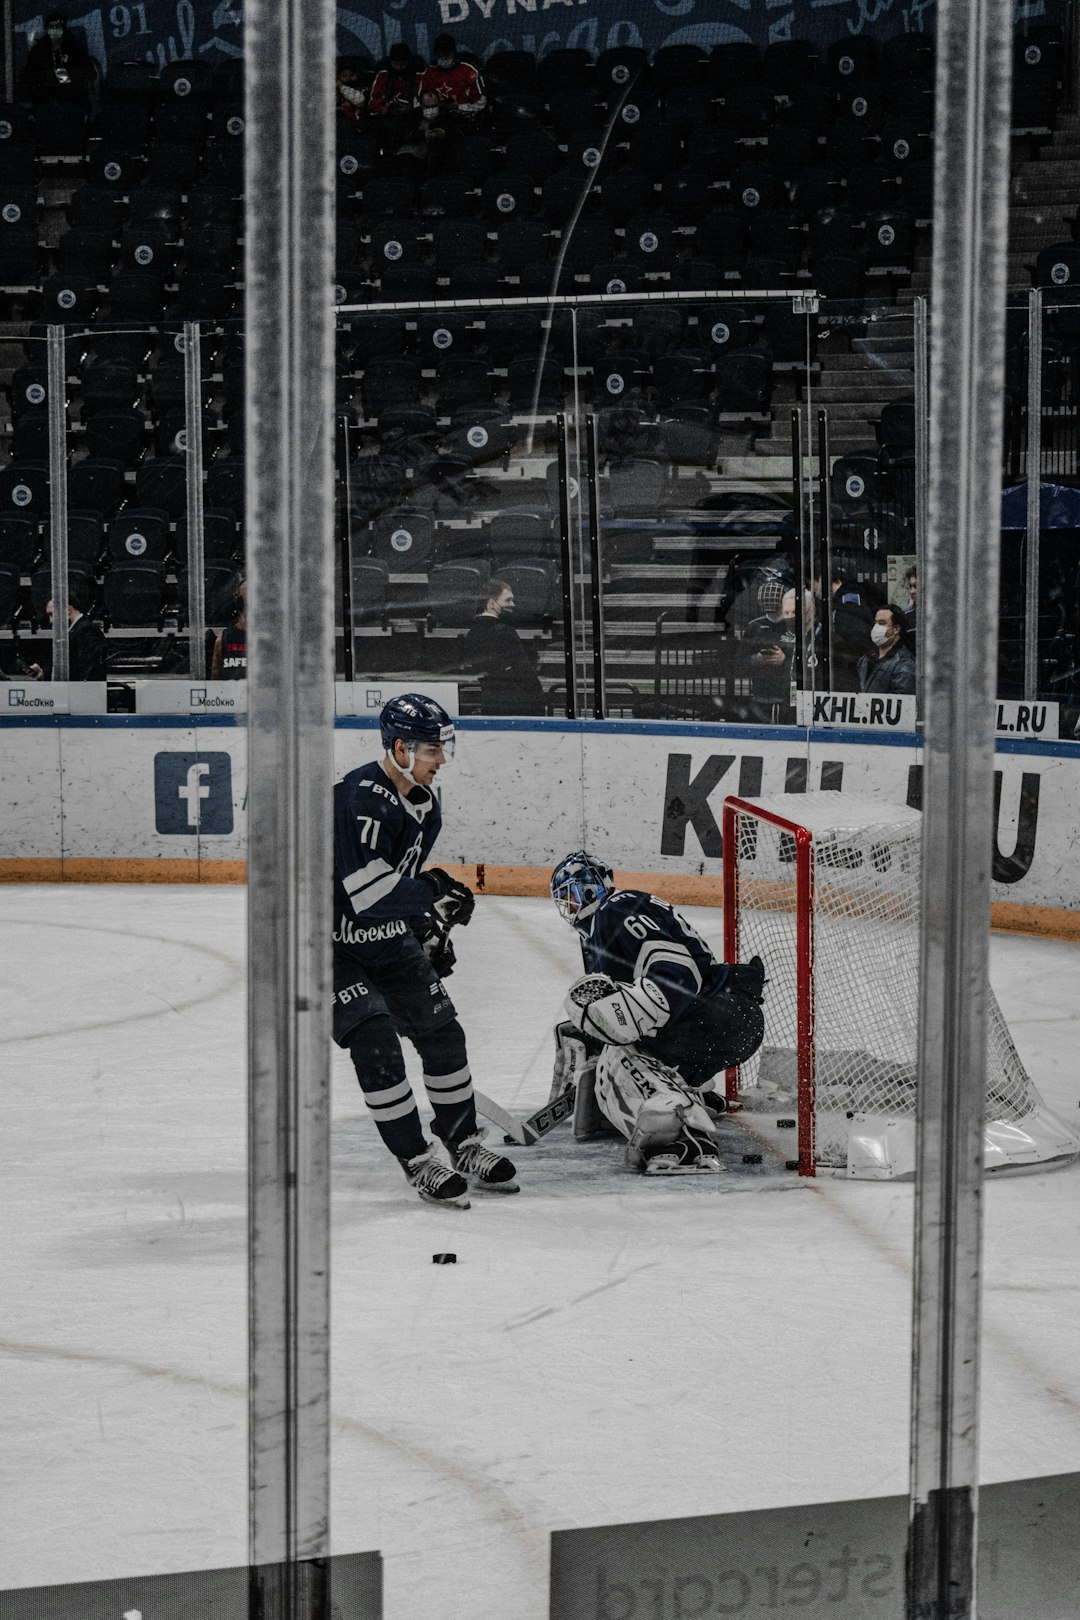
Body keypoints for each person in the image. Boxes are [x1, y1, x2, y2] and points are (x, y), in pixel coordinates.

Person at [333, 693, 519, 1207]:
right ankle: (416, 1159)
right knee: (375, 1042)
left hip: (386, 939)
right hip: (326, 946)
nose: (442, 761)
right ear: (401, 747)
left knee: (443, 1033)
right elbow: (367, 893)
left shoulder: (424, 805)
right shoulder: (360, 798)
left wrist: (423, 923)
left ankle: (463, 1145)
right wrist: (434, 891)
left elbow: (399, 884)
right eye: (434, 750)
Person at [548, 852, 766, 1176]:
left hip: (718, 1011)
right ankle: (692, 1098)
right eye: (562, 900)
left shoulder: (616, 908)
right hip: (724, 1014)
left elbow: (677, 969)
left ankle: (684, 1140)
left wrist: (627, 1026)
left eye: (573, 893)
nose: (570, 905)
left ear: (594, 885)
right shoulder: (597, 930)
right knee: (619, 1044)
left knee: (620, 1057)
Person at [462, 578, 545, 716]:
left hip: (489, 702)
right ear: (492, 604)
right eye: (508, 600)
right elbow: (524, 671)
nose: (512, 604)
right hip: (515, 704)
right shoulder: (505, 631)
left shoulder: (472, 633)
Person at [19, 11, 94, 111]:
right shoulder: (38, 50)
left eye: (58, 27)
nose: (55, 30)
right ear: (47, 29)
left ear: (63, 29)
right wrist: (46, 77)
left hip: (73, 101)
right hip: (46, 103)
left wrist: (70, 76)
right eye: (51, 27)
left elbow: (91, 74)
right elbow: (27, 75)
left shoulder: (75, 48)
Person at [25, 596, 108, 680]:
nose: (50, 621)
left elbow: (86, 672)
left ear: (67, 610)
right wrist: (44, 675)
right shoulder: (77, 630)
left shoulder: (86, 630)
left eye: (52, 614)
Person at [415, 34, 486, 115]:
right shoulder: (427, 74)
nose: (444, 58)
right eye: (441, 55)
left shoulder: (469, 71)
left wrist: (459, 107)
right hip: (436, 117)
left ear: (454, 52)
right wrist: (434, 110)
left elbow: (482, 102)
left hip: (464, 116)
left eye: (447, 55)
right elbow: (417, 102)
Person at [857, 604, 916, 695]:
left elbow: (901, 701)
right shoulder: (865, 659)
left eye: (882, 623)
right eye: (875, 623)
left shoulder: (904, 663)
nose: (876, 628)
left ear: (896, 629)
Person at [211, 577, 246, 679]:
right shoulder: (223, 639)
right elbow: (216, 679)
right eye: (245, 601)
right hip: (232, 694)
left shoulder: (273, 640)